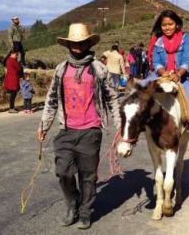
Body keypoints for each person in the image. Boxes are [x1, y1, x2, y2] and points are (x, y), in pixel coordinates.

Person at [37, 23, 121, 230]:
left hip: (91, 130)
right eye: (73, 43)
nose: (77, 46)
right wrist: (44, 126)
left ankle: (85, 212)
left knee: (88, 175)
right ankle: (72, 203)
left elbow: (112, 98)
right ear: (68, 44)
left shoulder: (98, 69)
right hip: (66, 130)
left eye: (81, 42)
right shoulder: (61, 69)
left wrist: (119, 125)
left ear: (87, 43)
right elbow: (52, 100)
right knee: (63, 172)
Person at [142, 9, 189, 157]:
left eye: (170, 24)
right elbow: (156, 61)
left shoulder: (186, 38)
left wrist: (178, 74)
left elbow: (187, 59)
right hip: (163, 74)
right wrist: (162, 72)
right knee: (140, 91)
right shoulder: (158, 41)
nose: (167, 27)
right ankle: (136, 126)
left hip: (183, 76)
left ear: (177, 24)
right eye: (164, 25)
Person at [3, 48, 23, 113]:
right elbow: (19, 68)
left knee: (13, 94)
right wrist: (19, 63)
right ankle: (11, 108)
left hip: (10, 78)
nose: (17, 56)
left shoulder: (8, 60)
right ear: (12, 54)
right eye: (16, 54)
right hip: (13, 79)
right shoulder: (12, 60)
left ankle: (12, 107)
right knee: (13, 94)